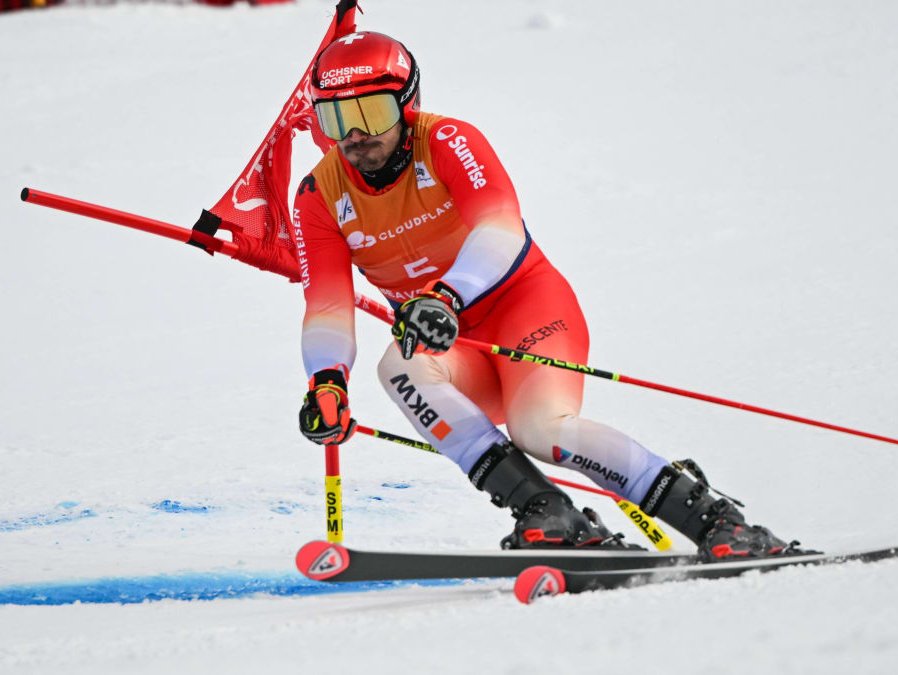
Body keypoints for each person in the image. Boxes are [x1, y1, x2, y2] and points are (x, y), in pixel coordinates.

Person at [293, 31, 801, 559]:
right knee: (397, 366)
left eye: (371, 113)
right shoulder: (317, 194)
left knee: (541, 430)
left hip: (526, 310)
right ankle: (546, 511)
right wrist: (327, 381)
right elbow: (326, 301)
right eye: (334, 119)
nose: (354, 135)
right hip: (450, 345)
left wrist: (447, 295)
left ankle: (717, 521)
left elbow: (501, 227)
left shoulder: (447, 141)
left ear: (408, 103)